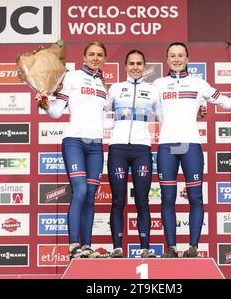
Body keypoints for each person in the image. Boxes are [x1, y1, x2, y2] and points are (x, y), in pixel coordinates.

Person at [154, 42, 231, 258]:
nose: (176, 59)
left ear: (187, 59)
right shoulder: (158, 84)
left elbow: (225, 102)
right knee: (167, 198)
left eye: (181, 55)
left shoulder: (198, 83)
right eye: (172, 56)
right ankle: (171, 248)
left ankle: (193, 248)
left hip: (191, 145)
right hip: (166, 145)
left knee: (195, 197)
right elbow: (143, 108)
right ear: (167, 59)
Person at [35, 41, 109, 259]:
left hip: (96, 145)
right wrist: (46, 104)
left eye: (100, 55)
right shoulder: (72, 76)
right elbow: (57, 112)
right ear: (84, 57)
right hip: (74, 141)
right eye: (91, 54)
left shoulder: (103, 85)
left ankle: (87, 247)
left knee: (91, 196)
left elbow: (103, 119)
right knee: (81, 190)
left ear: (104, 58)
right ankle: (73, 246)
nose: (95, 58)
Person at [105, 50, 160, 259]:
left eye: (139, 63)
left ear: (145, 67)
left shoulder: (152, 91)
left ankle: (145, 249)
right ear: (125, 66)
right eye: (131, 63)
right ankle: (117, 249)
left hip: (142, 149)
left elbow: (166, 116)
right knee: (118, 200)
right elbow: (99, 112)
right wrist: (112, 125)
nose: (135, 67)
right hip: (118, 148)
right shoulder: (116, 89)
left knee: (142, 200)